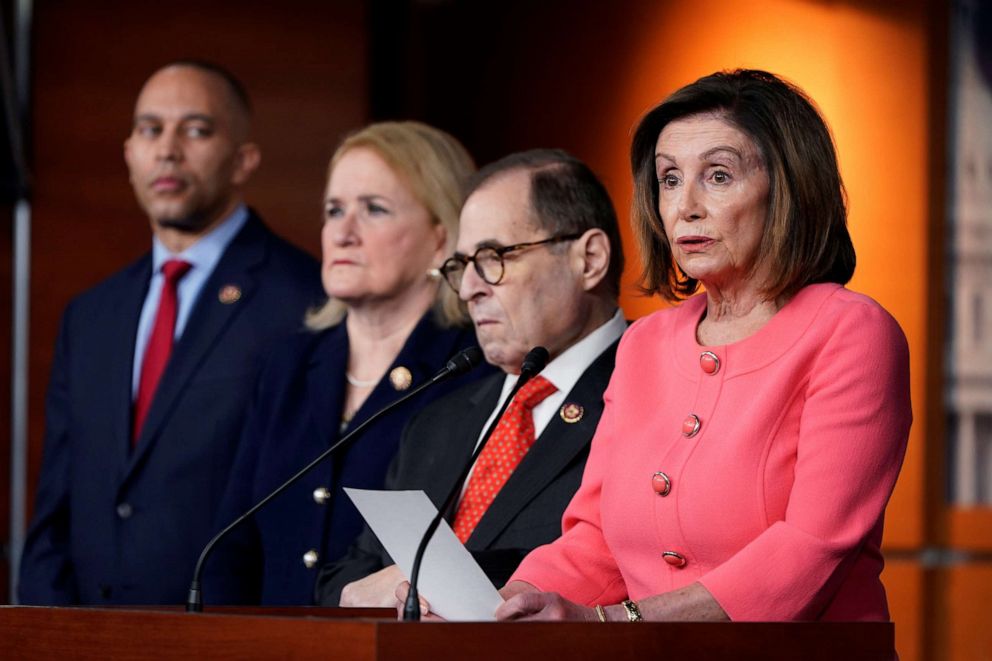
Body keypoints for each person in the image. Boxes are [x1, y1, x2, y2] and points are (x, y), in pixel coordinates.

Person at [490, 69, 913, 623]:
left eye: (717, 176)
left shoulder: (852, 333)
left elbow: (811, 549)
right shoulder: (643, 343)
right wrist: (492, 608)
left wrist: (618, 622)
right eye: (668, 179)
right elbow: (595, 543)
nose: (684, 206)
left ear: (788, 187)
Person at [18, 61, 323, 605]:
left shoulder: (305, 301)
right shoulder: (90, 314)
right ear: (129, 152)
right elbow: (57, 509)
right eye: (150, 129)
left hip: (226, 634)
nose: (168, 149)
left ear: (244, 159)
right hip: (82, 635)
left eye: (196, 129)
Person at [315, 148, 627, 607]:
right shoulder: (438, 421)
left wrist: (433, 580)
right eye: (461, 265)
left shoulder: (653, 397)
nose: (467, 289)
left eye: (494, 257)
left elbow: (623, 562)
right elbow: (355, 570)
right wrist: (353, 595)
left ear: (590, 259)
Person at [201, 121, 492, 605]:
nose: (343, 232)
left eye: (374, 209)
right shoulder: (290, 364)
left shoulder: (472, 367)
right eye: (334, 210)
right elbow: (232, 549)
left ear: (442, 240)